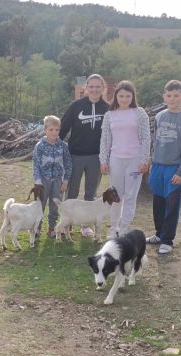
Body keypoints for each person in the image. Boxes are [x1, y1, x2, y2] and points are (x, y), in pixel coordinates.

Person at [146, 80, 181, 255]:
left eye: (176, 95)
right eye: (169, 95)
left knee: (172, 204)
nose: (173, 99)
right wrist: (152, 162)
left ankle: (167, 240)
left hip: (174, 169)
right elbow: (156, 142)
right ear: (164, 97)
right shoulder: (159, 116)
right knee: (158, 203)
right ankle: (159, 234)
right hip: (158, 166)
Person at [99, 80, 151, 240]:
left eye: (128, 96)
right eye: (121, 96)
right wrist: (103, 160)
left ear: (133, 96)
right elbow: (105, 139)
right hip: (116, 160)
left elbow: (145, 138)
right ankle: (114, 228)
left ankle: (123, 228)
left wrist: (144, 159)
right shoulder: (109, 115)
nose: (124, 99)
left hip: (135, 160)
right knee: (117, 195)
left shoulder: (140, 113)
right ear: (116, 96)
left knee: (130, 195)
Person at [59, 74, 109, 238]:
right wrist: (54, 146)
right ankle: (67, 223)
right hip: (75, 155)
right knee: (71, 192)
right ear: (86, 88)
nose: (94, 89)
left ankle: (86, 225)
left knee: (91, 193)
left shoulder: (107, 108)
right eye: (91, 86)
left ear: (103, 88)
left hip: (96, 157)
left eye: (98, 86)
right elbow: (63, 128)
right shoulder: (76, 106)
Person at [33, 115, 72, 238]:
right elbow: (36, 165)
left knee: (55, 205)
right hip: (43, 180)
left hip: (58, 180)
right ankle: (36, 228)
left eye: (57, 130)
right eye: (51, 130)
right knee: (41, 204)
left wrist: (65, 181)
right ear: (45, 130)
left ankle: (52, 228)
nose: (54, 132)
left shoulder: (63, 146)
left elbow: (68, 164)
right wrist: (38, 182)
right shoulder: (40, 146)